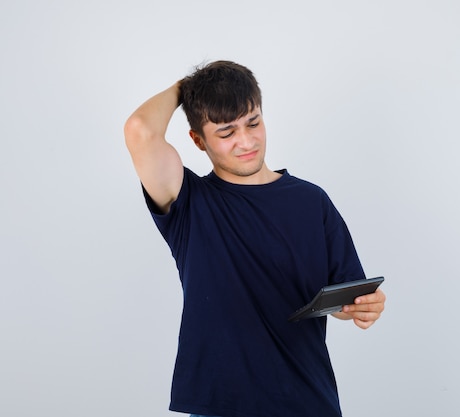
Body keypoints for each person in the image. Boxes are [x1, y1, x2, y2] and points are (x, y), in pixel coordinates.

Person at [124, 60, 386, 417]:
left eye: (253, 123)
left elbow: (344, 296)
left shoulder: (312, 202)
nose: (246, 141)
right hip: (220, 406)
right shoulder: (189, 202)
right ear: (198, 141)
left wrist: (361, 306)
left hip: (308, 400)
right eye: (226, 132)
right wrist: (186, 87)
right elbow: (139, 130)